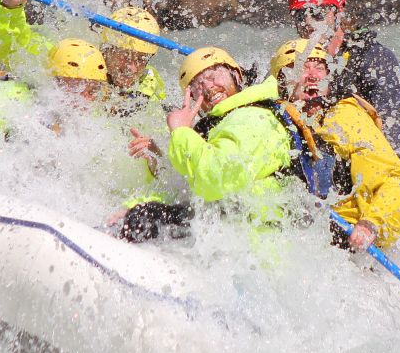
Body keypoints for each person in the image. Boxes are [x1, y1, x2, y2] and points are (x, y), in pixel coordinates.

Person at [117, 47, 294, 242]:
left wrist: (181, 132)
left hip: (259, 243)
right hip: (235, 233)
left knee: (145, 219)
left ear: (237, 74)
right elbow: (189, 190)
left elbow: (216, 180)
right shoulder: (218, 128)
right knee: (142, 216)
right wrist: (158, 163)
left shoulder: (254, 117)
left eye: (213, 75)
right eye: (197, 85)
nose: (208, 87)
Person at [287, 0, 400, 173]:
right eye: (301, 15)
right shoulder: (291, 61)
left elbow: (395, 140)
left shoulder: (373, 59)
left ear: (338, 11)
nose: (308, 23)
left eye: (318, 13)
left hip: (379, 167)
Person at [268, 38, 400, 249]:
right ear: (282, 82)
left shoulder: (343, 116)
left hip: (350, 237)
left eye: (319, 68)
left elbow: (395, 180)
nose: (312, 76)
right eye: (301, 68)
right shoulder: (273, 119)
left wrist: (370, 224)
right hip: (303, 239)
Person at [0, 0, 166, 111]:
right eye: (125, 56)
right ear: (107, 48)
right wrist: (9, 8)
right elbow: (10, 43)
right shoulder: (70, 56)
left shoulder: (148, 81)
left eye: (141, 59)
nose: (133, 68)